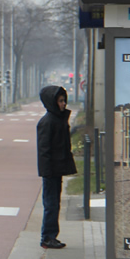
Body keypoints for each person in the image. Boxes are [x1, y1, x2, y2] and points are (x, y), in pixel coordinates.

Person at [37, 85, 76, 249]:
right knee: (51, 204)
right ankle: (47, 237)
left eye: (64, 100)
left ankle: (51, 235)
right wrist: (47, 171)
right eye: (60, 101)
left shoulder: (59, 119)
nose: (63, 104)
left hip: (56, 168)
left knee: (54, 203)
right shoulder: (48, 122)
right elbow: (44, 150)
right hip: (51, 170)